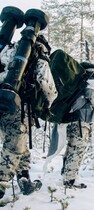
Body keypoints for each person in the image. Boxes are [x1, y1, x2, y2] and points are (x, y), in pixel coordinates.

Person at [0, 35, 58, 198]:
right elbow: (46, 82)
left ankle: (24, 180)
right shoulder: (37, 53)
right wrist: (49, 102)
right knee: (14, 146)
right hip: (19, 107)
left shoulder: (7, 49)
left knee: (21, 145)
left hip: (2, 100)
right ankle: (1, 182)